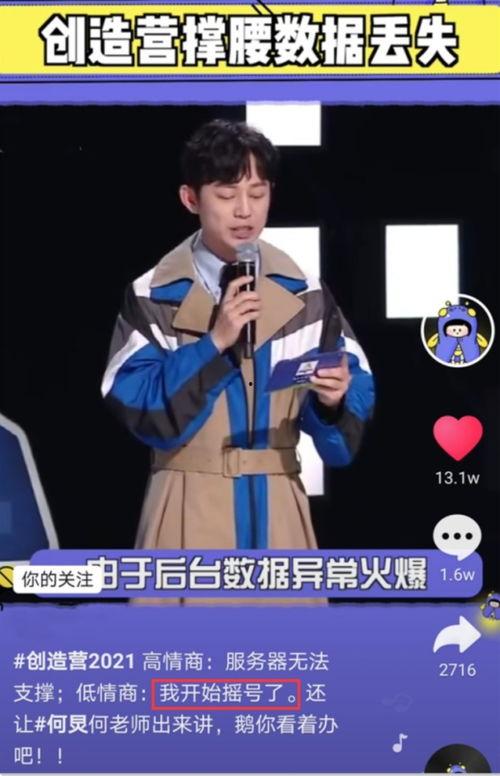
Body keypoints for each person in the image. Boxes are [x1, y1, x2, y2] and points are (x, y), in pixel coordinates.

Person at [101, 119, 374, 556]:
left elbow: (344, 437)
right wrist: (214, 343)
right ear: (191, 199)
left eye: (258, 194)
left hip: (280, 512)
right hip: (186, 507)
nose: (244, 211)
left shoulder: (306, 293)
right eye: (227, 196)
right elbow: (142, 409)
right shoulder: (152, 294)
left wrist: (333, 402)